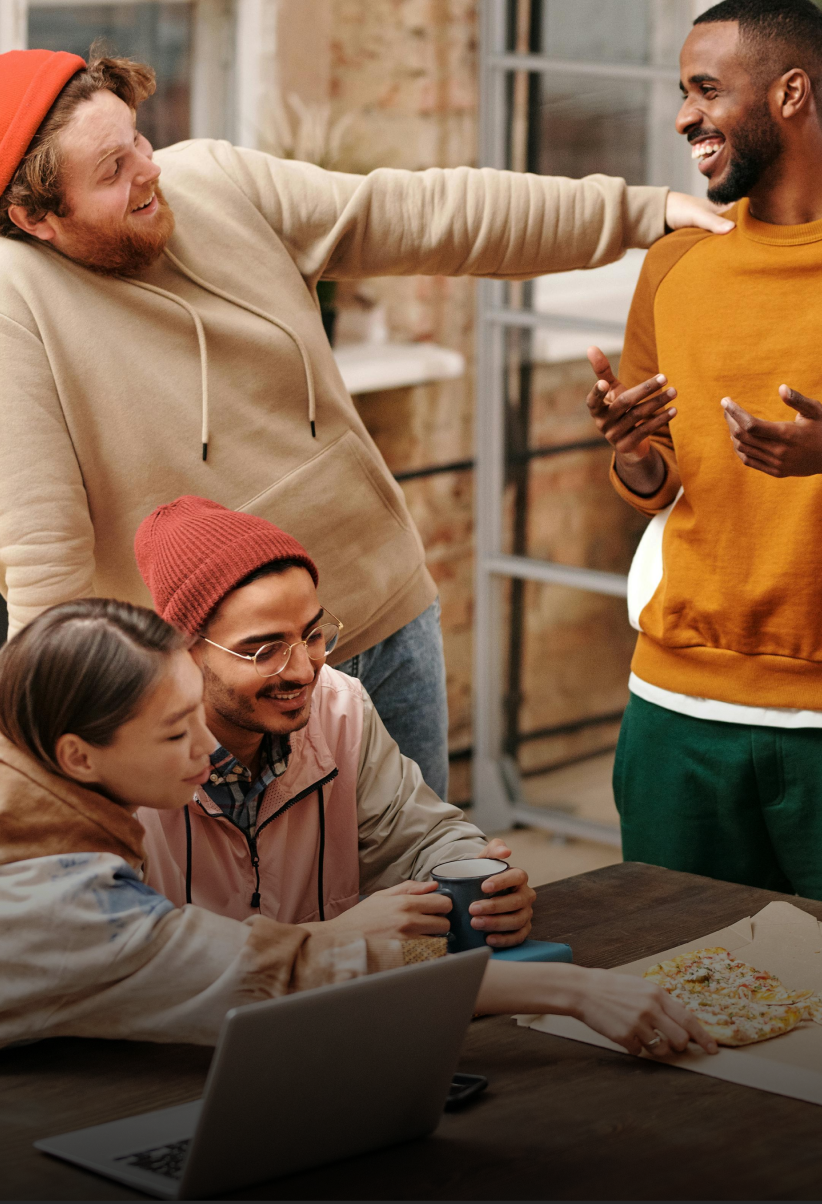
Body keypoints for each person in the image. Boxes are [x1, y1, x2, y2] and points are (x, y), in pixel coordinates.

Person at [0, 49, 733, 803]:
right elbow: (43, 563)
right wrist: (66, 773)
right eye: (112, 169)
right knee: (277, 918)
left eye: (139, 140)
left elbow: (422, 214)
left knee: (432, 889)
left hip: (387, 621)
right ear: (35, 217)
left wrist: (640, 213)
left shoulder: (215, 182)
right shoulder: (14, 307)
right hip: (224, 692)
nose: (149, 169)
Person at [0, 596, 717, 1059]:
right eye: (173, 733)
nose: (203, 747)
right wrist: (575, 992)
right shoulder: (66, 900)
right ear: (77, 755)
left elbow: (421, 828)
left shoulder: (37, 779)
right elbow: (284, 977)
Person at [585, 0, 822, 897]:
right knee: (677, 990)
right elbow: (660, 476)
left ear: (791, 92)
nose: (685, 116)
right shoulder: (677, 263)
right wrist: (637, 454)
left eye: (707, 90)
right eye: (683, 91)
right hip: (677, 715)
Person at [133, 494, 534, 947]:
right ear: (185, 651)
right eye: (265, 651)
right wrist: (333, 940)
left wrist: (484, 885)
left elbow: (417, 837)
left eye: (312, 635)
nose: (304, 671)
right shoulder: (122, 765)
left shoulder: (339, 708)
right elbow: (127, 966)